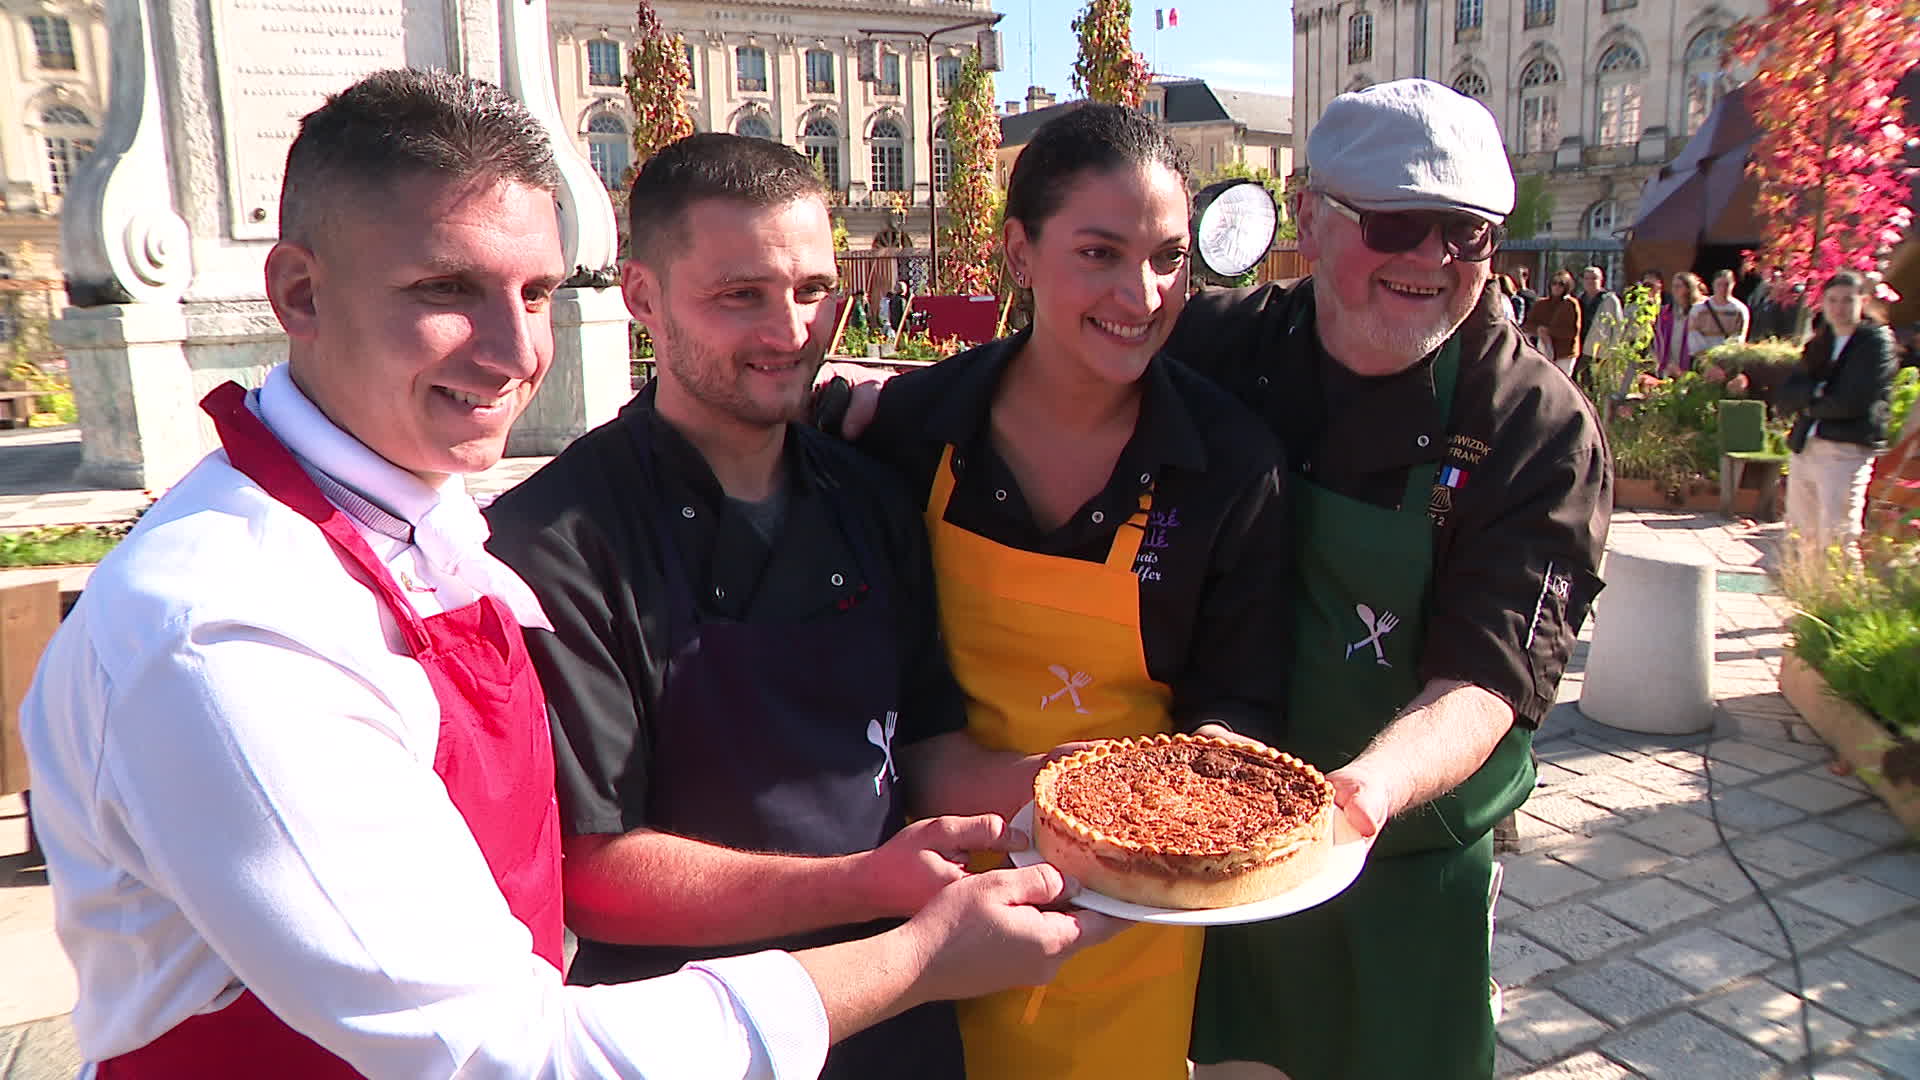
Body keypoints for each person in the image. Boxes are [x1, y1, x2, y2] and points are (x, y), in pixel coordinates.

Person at [19, 69, 1115, 1079]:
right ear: (298, 293)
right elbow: (501, 1053)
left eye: (537, 291)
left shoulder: (429, 533)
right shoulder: (225, 628)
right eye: (448, 286)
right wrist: (911, 952)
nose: (512, 351)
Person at [484, 133, 1081, 1080]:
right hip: (686, 1036)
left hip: (899, 1022)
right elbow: (593, 877)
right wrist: (865, 884)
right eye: (742, 296)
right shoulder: (552, 543)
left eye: (812, 289)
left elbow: (925, 754)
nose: (793, 329)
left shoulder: (873, 499)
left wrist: (1075, 788)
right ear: (641, 296)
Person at [1160, 78, 1610, 1080]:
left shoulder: (1533, 426)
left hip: (1409, 867)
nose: (1434, 260)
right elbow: (1046, 376)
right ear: (1312, 218)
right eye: (1400, 223)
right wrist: (879, 410)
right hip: (1218, 851)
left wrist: (1364, 794)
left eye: (1470, 234)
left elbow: (1488, 677)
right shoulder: (1222, 349)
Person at [855, 104, 1292, 1080]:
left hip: (1131, 905)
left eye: (1170, 257)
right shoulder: (914, 432)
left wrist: (1162, 807)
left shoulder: (1228, 466)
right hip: (929, 894)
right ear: (1019, 251)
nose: (1141, 293)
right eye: (1099, 252)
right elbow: (891, 700)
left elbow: (1238, 701)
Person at [1778, 270, 1898, 557]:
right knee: (1802, 535)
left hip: (1845, 450)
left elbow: (1852, 401)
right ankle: (1807, 597)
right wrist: (1815, 396)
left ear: (1862, 302)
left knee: (1837, 537)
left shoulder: (1875, 343)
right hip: (1806, 445)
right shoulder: (1821, 342)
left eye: (1847, 300)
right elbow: (1787, 395)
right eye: (1832, 300)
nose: (1839, 308)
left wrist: (1810, 401)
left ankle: (1837, 600)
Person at [1519, 269, 1582, 374]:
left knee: (1560, 385)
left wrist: (1548, 331)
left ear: (1567, 286)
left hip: (1564, 354)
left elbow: (1572, 332)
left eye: (1561, 284)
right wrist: (1539, 330)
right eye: (1554, 283)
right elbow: (1527, 325)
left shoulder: (1570, 304)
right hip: (1542, 351)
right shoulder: (1541, 304)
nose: (1557, 287)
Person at [1687, 268, 1750, 363]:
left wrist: (1725, 353)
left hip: (1727, 359)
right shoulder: (1698, 309)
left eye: (1727, 284)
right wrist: (1703, 355)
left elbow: (1739, 336)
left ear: (1733, 285)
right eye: (1719, 284)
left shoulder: (1739, 309)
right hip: (1702, 359)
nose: (1723, 288)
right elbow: (1693, 335)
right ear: (1713, 285)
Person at [1576, 265, 1625, 385]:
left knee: (1601, 386)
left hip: (1602, 353)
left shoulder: (1610, 299)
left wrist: (1613, 350)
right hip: (1582, 350)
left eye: (1594, 278)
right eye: (1587, 278)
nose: (1590, 281)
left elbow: (1619, 326)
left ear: (1601, 280)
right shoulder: (1579, 299)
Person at [1655, 271, 1707, 376]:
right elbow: (1660, 341)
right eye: (1673, 286)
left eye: (1678, 286)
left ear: (1689, 289)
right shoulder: (1666, 313)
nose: (1674, 290)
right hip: (1670, 368)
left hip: (1692, 369)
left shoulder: (1701, 312)